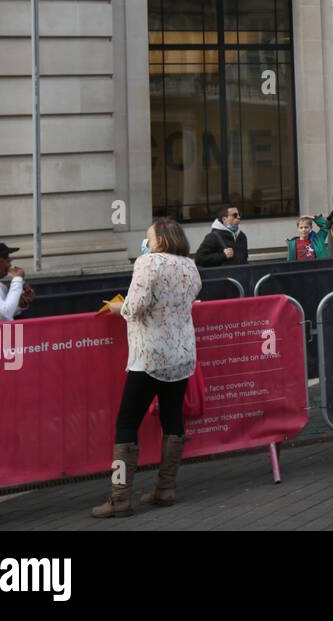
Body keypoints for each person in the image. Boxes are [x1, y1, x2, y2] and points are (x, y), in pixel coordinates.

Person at [92, 218, 202, 517]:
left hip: (149, 356)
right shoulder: (189, 266)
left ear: (161, 238)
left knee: (126, 424)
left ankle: (119, 497)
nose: (146, 241)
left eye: (149, 236)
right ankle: (166, 488)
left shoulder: (147, 263)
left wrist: (118, 308)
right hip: (181, 354)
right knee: (172, 419)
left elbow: (135, 307)